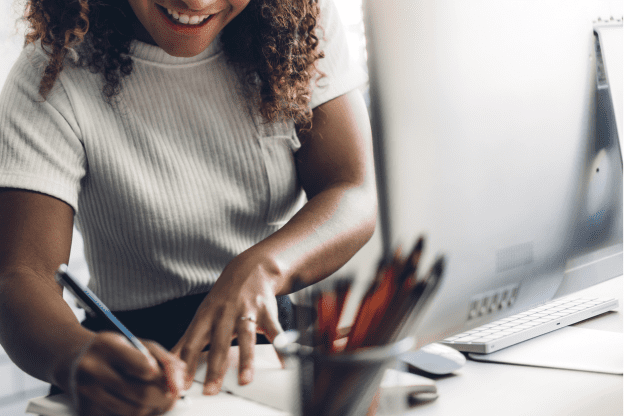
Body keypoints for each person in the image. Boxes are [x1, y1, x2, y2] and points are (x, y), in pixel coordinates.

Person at [0, 0, 376, 414]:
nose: (196, 3)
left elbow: (351, 189)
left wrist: (264, 267)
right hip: (134, 359)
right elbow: (22, 275)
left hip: (272, 349)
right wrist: (75, 356)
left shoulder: (299, 27)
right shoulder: (53, 72)